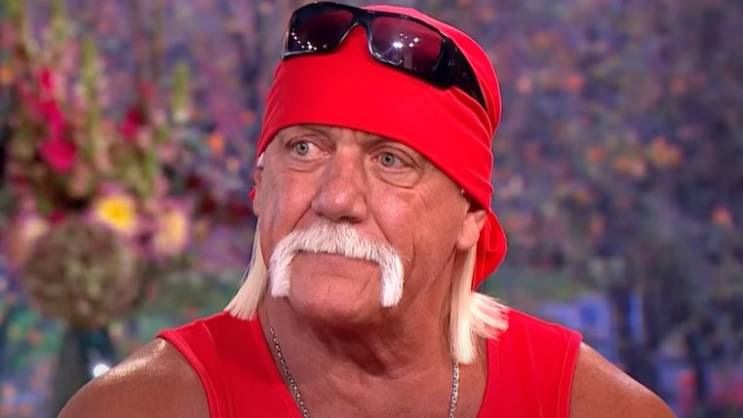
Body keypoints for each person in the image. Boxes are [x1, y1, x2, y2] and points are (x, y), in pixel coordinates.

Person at [59, 2, 676, 417]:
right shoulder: (140, 407)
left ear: (471, 217)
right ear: (260, 184)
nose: (336, 199)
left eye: (390, 161)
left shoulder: (586, 406)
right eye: (305, 149)